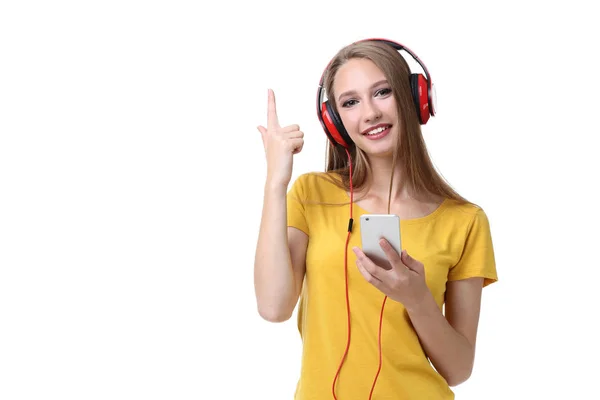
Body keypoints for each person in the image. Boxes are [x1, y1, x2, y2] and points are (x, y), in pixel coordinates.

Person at [253, 38, 498, 400]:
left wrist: (417, 300)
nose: (369, 113)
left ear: (415, 98)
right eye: (350, 102)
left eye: (382, 92)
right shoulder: (311, 195)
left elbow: (458, 369)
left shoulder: (465, 221)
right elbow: (274, 307)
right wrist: (276, 182)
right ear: (335, 121)